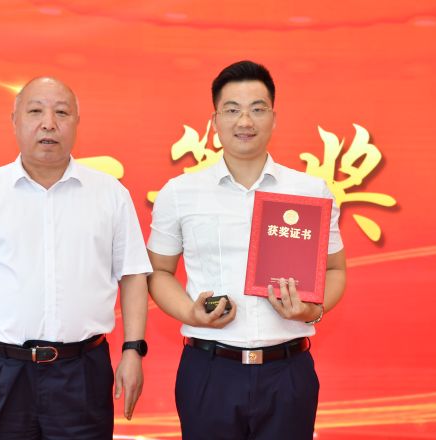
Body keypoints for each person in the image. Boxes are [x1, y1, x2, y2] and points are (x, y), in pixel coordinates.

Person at [0, 77, 152, 440]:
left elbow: (133, 276)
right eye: (35, 111)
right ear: (14, 120)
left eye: (61, 112)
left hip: (82, 372)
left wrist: (133, 351)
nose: (49, 123)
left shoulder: (110, 194)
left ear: (76, 121)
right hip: (1, 372)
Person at [147, 61, 346, 440]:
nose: (245, 121)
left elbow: (336, 269)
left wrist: (313, 310)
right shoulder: (180, 192)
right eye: (232, 110)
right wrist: (189, 312)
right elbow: (158, 272)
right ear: (215, 120)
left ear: (274, 117)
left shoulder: (309, 191)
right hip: (209, 369)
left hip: (288, 370)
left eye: (257, 109)